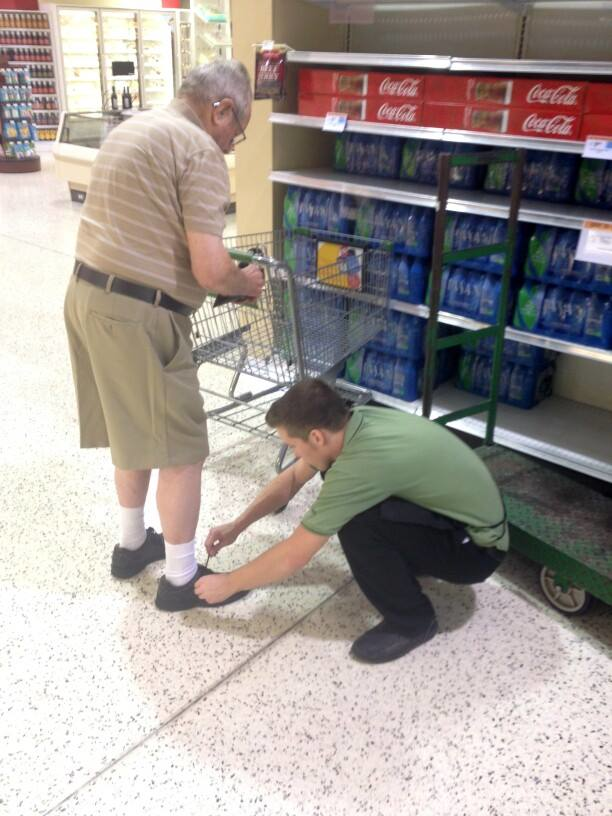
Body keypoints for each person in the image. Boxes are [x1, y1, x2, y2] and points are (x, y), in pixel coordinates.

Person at [64, 60, 264, 612]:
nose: (230, 143)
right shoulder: (198, 150)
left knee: (133, 430)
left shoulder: (137, 127)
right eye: (236, 129)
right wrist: (241, 281)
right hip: (138, 314)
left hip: (87, 295)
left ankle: (132, 545)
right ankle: (180, 580)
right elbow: (209, 268)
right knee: (181, 449)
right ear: (219, 109)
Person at [195, 378, 508, 664]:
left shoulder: (360, 465)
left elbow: (295, 553)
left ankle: (412, 623)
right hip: (462, 522)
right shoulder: (353, 422)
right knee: (356, 501)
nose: (293, 452)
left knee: (358, 522)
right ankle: (412, 563)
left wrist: (229, 583)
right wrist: (238, 525)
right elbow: (291, 480)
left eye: (292, 445)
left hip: (477, 551)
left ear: (315, 436)